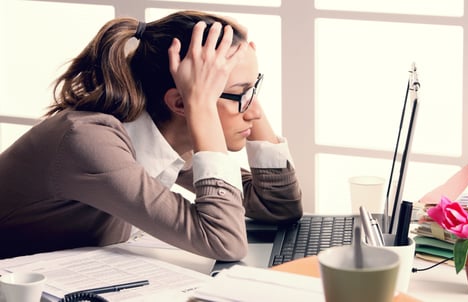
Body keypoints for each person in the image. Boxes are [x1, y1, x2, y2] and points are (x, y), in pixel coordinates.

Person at [0, 10, 303, 261]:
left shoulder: (162, 138)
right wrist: (202, 106)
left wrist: (240, 84)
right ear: (180, 103)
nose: (254, 113)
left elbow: (278, 207)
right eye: (240, 95)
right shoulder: (92, 143)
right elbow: (224, 241)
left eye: (254, 89)